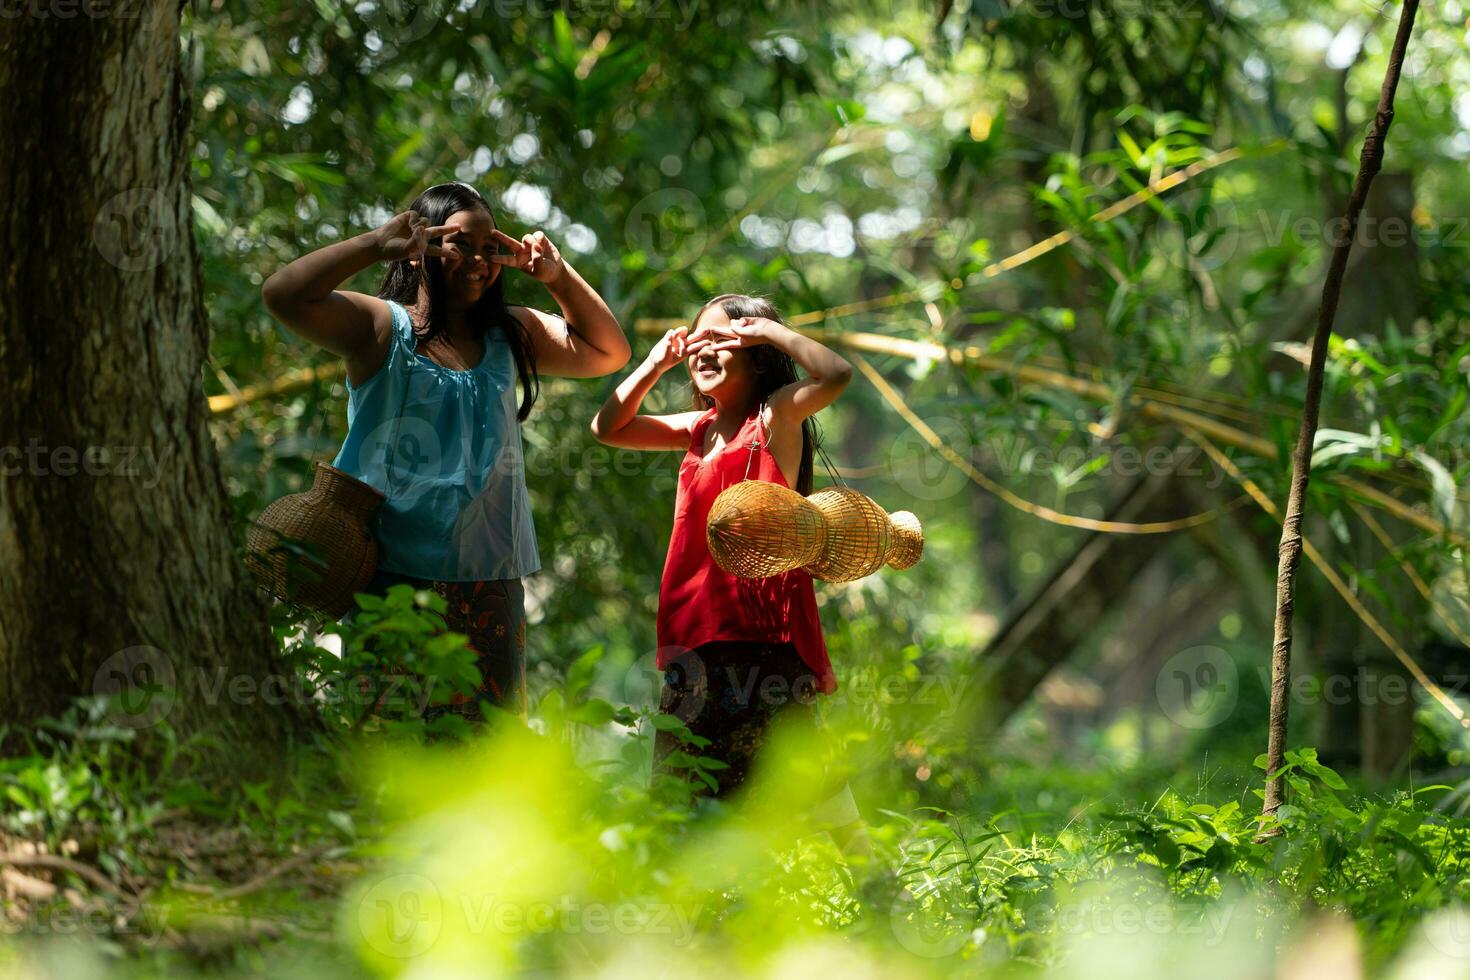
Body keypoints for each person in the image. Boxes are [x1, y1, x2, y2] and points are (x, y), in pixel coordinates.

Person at [262, 181, 630, 719]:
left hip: (492, 577)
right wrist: (374, 244)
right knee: (391, 742)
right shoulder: (381, 327)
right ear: (420, 247)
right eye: (459, 243)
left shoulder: (513, 333)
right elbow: (282, 294)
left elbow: (608, 351)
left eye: (489, 247)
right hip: (391, 576)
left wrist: (556, 276)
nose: (478, 259)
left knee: (486, 748)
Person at [590, 293, 856, 815]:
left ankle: (871, 885)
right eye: (697, 340)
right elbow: (609, 428)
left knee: (789, 788)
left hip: (761, 637)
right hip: (694, 636)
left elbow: (837, 374)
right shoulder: (698, 429)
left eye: (721, 339)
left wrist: (771, 331)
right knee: (683, 795)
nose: (703, 351)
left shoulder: (776, 417)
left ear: (754, 349)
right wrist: (654, 363)